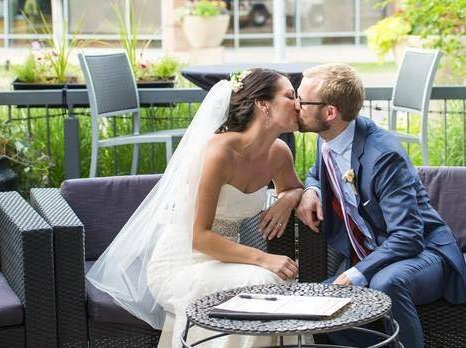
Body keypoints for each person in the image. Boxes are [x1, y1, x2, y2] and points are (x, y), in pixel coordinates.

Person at [87, 69, 306, 348]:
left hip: (227, 260)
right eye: (290, 96)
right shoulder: (219, 153)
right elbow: (198, 237)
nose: (298, 104)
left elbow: (292, 187)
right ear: (263, 104)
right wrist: (264, 258)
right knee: (264, 278)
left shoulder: (279, 153)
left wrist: (288, 198)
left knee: (272, 280)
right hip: (182, 262)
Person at [295, 63, 466, 348]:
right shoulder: (328, 138)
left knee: (385, 284)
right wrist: (312, 189)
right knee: (320, 304)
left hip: (425, 252)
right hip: (374, 253)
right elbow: (318, 171)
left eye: (302, 101)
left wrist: (355, 274)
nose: (295, 105)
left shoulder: (383, 156)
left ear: (330, 112)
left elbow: (408, 236)